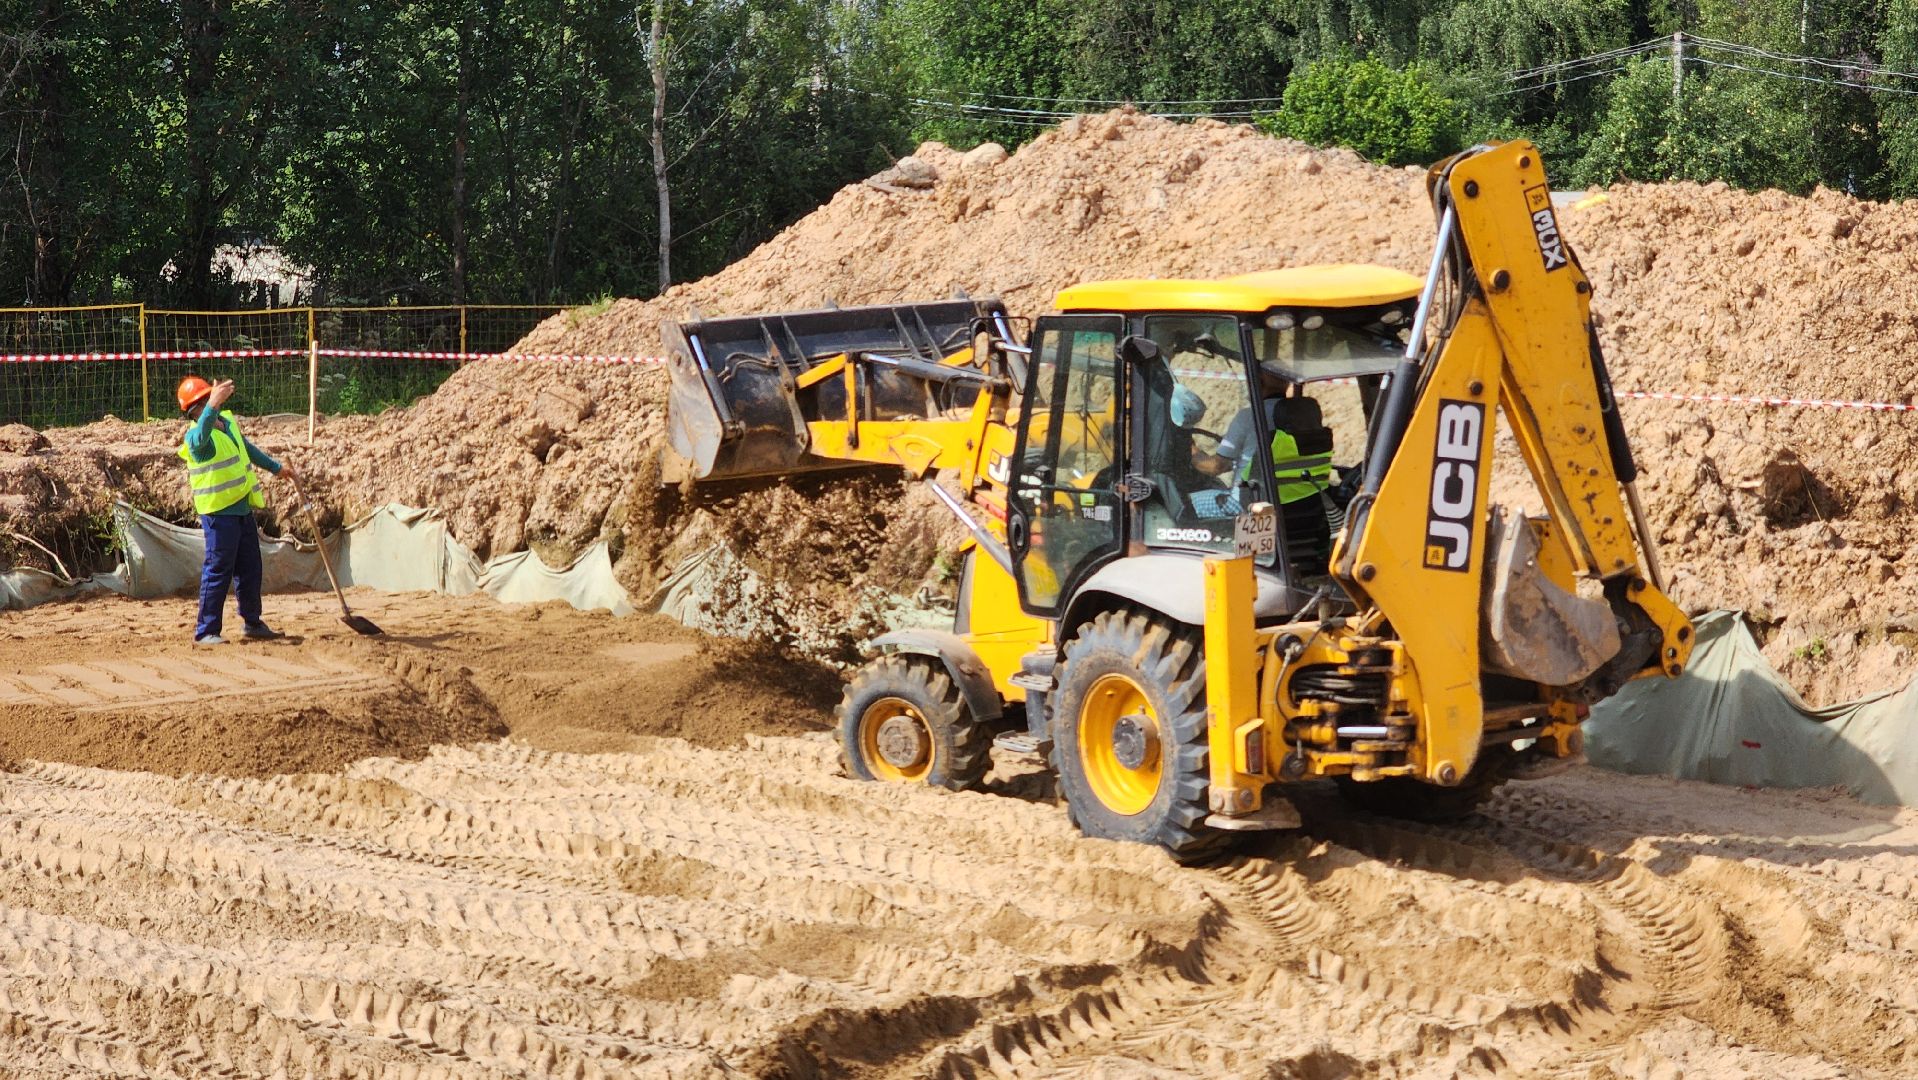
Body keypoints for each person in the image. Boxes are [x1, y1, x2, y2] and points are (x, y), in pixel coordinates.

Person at [176, 375, 294, 645]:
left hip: (241, 510)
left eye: (210, 398)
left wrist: (277, 469)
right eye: (204, 402)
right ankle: (206, 631)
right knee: (218, 570)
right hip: (218, 514)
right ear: (194, 410)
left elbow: (247, 449)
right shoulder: (196, 436)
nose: (209, 404)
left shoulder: (227, 425)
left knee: (250, 568)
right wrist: (213, 406)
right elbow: (199, 440)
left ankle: (252, 622)